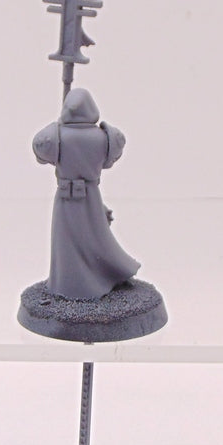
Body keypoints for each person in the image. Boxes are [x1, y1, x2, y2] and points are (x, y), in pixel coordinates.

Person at [32, 88, 141, 300]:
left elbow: (40, 149)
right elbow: (108, 161)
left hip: (67, 199)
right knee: (94, 240)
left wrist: (58, 129)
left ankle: (73, 284)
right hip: (89, 197)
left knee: (71, 244)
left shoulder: (57, 136)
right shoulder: (103, 137)